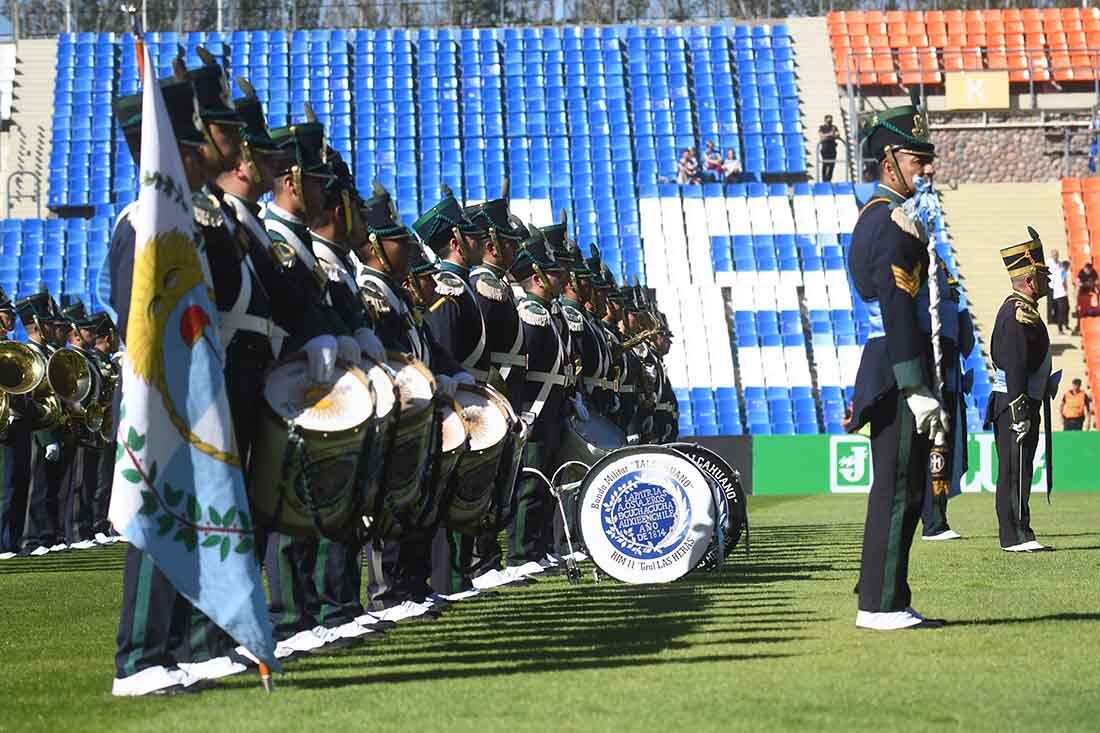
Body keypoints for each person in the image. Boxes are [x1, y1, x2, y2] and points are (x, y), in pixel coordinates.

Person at [846, 95, 946, 630]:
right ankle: (880, 605)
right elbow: (897, 307)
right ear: (889, 162)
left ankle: (886, 594)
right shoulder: (891, 224)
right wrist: (916, 384)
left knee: (899, 486)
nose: (926, 169)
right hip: (894, 366)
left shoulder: (879, 217)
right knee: (899, 486)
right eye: (916, 159)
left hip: (886, 364)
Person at [986, 228, 1055, 553]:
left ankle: (1022, 530)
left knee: (1022, 469)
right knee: (1014, 471)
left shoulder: (1025, 310)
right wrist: (1020, 409)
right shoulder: (1018, 313)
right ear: (1029, 280)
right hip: (1016, 404)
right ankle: (1014, 536)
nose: (1048, 281)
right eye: (1042, 275)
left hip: (1026, 400)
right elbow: (1013, 363)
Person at [1045, 251, 1069, 334]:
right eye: (1054, 255)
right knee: (1050, 303)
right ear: (1052, 255)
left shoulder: (1060, 263)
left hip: (1056, 286)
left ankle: (1056, 319)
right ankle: (1050, 319)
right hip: (1050, 284)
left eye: (1057, 255)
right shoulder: (1048, 262)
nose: (1055, 256)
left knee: (1056, 305)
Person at [819, 114, 840, 182]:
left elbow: (837, 134)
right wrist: (830, 134)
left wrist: (830, 135)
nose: (830, 122)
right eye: (828, 121)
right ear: (825, 120)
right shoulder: (822, 127)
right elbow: (821, 135)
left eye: (831, 121)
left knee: (831, 165)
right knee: (825, 164)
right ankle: (824, 179)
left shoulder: (834, 127)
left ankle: (829, 179)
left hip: (832, 149)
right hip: (825, 149)